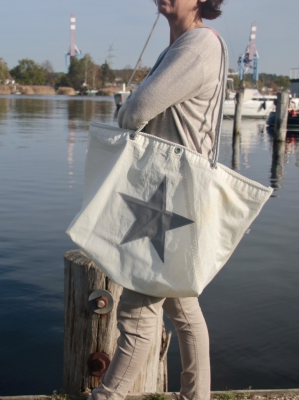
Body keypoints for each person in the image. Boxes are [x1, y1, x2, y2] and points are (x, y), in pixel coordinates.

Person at [90, 1, 226, 400]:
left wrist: (127, 108)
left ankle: (107, 397)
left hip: (167, 199)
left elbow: (136, 112)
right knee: (182, 307)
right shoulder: (186, 45)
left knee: (136, 311)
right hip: (174, 195)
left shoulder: (196, 46)